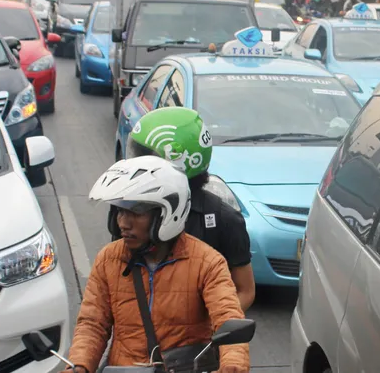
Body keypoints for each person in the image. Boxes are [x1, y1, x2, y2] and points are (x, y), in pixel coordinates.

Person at [69, 156, 250, 373]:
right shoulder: (109, 259)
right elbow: (92, 324)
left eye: (135, 212)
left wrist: (232, 365)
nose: (123, 223)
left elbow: (228, 316)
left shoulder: (207, 263)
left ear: (166, 214)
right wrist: (78, 366)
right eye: (120, 211)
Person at [118, 107, 256, 310]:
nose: (124, 222)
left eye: (146, 159)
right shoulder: (127, 212)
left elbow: (245, 290)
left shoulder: (224, 220)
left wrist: (210, 327)